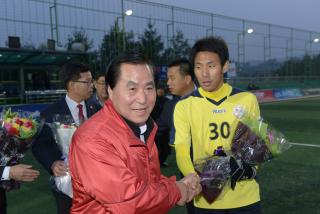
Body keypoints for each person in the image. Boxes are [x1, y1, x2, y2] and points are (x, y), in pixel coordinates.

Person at [69, 50, 202, 213]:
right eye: (132, 88)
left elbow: (148, 180)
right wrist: (177, 190)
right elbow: (130, 201)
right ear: (110, 91)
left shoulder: (144, 127)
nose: (143, 98)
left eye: (148, 88)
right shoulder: (92, 138)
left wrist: (177, 185)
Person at [173, 36, 262, 213]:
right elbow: (182, 150)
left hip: (245, 197)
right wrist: (194, 178)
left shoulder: (247, 100)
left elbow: (256, 148)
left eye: (211, 66)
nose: (204, 74)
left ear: (225, 66)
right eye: (198, 67)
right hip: (207, 200)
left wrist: (247, 168)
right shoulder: (184, 106)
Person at [32, 62, 100, 214]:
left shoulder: (97, 109)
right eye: (87, 82)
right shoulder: (49, 113)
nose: (92, 85)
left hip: (97, 183)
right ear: (71, 84)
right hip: (66, 185)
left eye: (92, 81)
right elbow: (39, 146)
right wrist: (52, 163)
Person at [155, 58, 196, 167]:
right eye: (168, 78)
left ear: (187, 79)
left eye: (172, 78)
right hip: (187, 173)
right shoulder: (170, 106)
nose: (168, 83)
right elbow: (155, 129)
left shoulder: (209, 100)